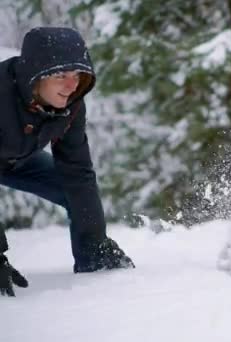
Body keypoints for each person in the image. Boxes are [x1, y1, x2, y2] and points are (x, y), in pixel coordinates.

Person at [0, 27, 134, 296]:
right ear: (33, 77)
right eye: (61, 75)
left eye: (77, 76)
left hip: (15, 160)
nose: (72, 85)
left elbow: (78, 172)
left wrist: (95, 243)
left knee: (72, 189)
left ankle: (91, 257)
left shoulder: (70, 105)